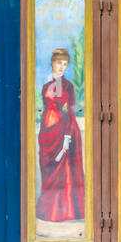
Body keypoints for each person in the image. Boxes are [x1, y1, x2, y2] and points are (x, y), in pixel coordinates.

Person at [36, 48, 84, 223]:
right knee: (47, 170)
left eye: (65, 64)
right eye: (59, 63)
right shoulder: (46, 86)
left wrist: (66, 141)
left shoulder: (68, 86)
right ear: (52, 62)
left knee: (63, 171)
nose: (62, 67)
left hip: (63, 132)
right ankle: (48, 209)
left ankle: (62, 211)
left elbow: (70, 113)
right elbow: (47, 109)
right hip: (47, 132)